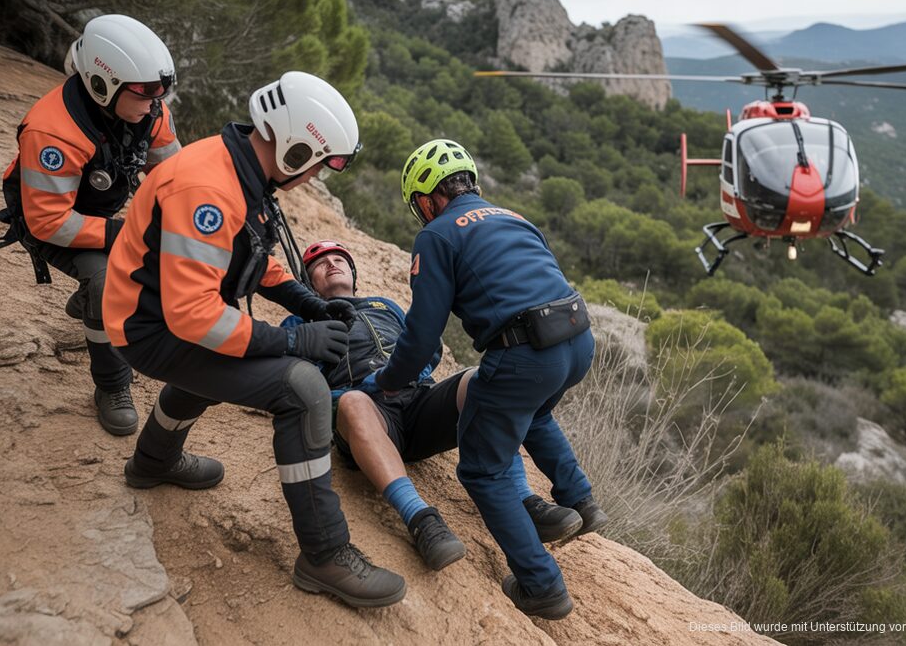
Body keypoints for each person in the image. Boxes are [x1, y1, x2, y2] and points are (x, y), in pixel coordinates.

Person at [102, 71, 406, 608]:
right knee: (303, 389)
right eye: (320, 163)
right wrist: (291, 343)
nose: (315, 176)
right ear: (296, 146)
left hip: (155, 313)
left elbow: (248, 253)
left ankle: (153, 461)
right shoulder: (208, 189)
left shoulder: (238, 166)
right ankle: (324, 553)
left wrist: (306, 301)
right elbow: (195, 319)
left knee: (220, 367)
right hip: (149, 328)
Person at [372, 139, 607, 620]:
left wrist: (388, 382)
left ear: (426, 197)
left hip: (523, 352)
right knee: (533, 411)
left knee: (483, 470)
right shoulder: (515, 217)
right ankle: (580, 500)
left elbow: (421, 336)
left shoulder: (436, 235)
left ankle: (542, 587)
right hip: (577, 339)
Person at [284, 241, 592, 571]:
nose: (332, 264)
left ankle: (525, 500)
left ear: (354, 274)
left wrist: (406, 374)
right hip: (368, 414)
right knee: (354, 402)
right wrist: (341, 394)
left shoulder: (383, 305)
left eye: (339, 259)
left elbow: (426, 345)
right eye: (320, 263)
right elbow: (299, 378)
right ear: (307, 282)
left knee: (482, 381)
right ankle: (421, 519)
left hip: (418, 401)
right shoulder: (300, 322)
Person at [0, 14, 181, 436]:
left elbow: (172, 174)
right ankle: (111, 386)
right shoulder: (53, 132)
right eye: (145, 94)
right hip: (49, 219)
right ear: (103, 84)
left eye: (161, 92)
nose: (156, 102)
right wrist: (128, 234)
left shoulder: (149, 110)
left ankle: (90, 304)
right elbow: (49, 222)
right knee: (108, 281)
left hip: (96, 211)